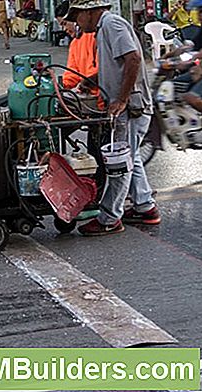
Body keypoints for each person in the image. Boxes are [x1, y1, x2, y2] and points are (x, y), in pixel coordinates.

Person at [65, 0, 160, 236]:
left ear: (89, 12)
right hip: (127, 107)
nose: (76, 22)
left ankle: (109, 217)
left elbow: (134, 59)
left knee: (119, 162)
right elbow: (116, 65)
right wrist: (91, 81)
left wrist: (121, 99)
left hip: (130, 108)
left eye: (77, 16)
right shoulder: (102, 30)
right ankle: (145, 206)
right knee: (132, 156)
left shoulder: (111, 24)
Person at [54, 1, 98, 92]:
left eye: (65, 24)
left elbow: (102, 70)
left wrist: (87, 82)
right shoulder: (74, 44)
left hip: (105, 96)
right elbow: (72, 74)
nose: (64, 29)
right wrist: (59, 86)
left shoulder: (95, 36)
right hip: (88, 96)